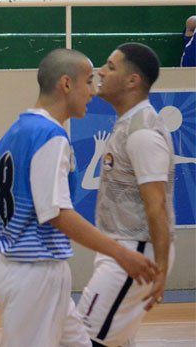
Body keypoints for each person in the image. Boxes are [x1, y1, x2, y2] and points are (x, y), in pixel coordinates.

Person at [0, 49, 158, 347]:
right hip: (35, 272)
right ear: (66, 84)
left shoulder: (15, 133)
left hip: (25, 270)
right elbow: (57, 214)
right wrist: (122, 254)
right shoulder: (50, 136)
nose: (93, 91)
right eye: (88, 81)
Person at [76, 43, 176, 347]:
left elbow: (156, 203)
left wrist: (160, 269)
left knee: (82, 338)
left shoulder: (142, 132)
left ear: (132, 81)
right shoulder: (128, 124)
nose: (100, 72)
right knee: (115, 341)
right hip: (123, 250)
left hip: (134, 253)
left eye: (111, 66)